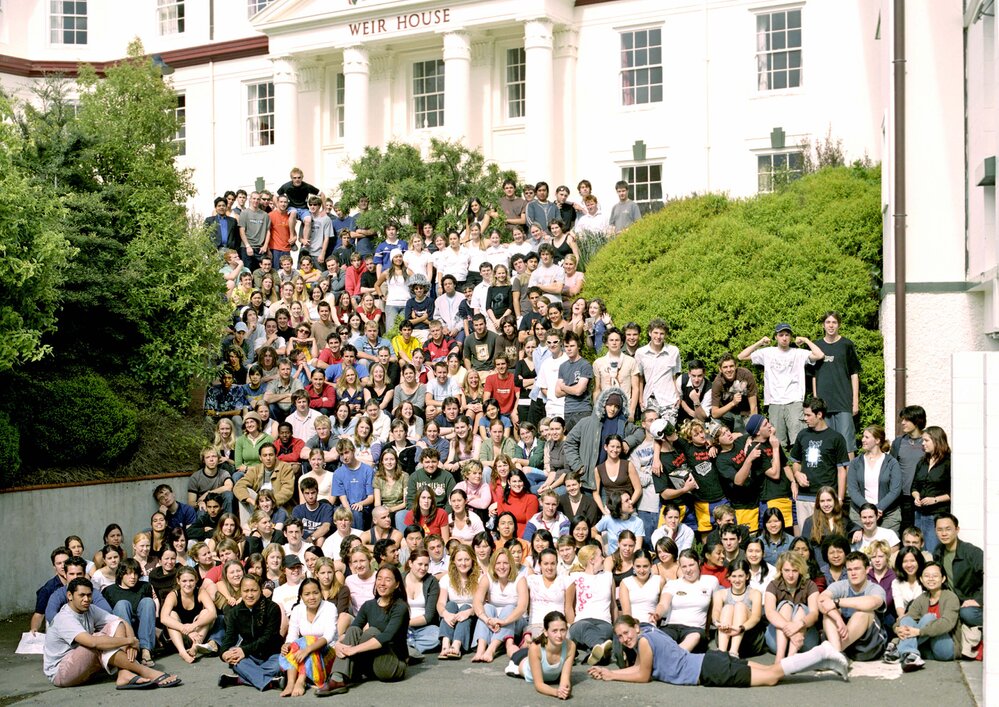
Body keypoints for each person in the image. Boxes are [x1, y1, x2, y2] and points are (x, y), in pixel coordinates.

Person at [587, 614, 847, 687]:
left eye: (626, 633)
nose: (625, 639)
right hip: (710, 659)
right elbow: (641, 666)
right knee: (771, 672)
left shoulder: (643, 641)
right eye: (620, 637)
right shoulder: (648, 630)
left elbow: (643, 674)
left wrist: (611, 675)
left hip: (709, 670)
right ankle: (826, 659)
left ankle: (822, 653)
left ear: (635, 627)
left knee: (771, 677)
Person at [43, 578, 182, 689]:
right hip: (62, 672)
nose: (86, 599)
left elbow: (121, 622)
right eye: (81, 595)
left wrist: (132, 642)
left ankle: (124, 673)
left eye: (89, 595)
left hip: (83, 663)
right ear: (69, 596)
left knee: (116, 625)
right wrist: (128, 642)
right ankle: (145, 671)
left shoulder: (89, 608)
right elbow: (92, 642)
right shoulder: (63, 618)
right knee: (97, 640)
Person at [314, 565, 410, 696]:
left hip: (391, 665)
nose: (382, 583)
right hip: (370, 663)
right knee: (353, 629)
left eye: (388, 580)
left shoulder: (400, 607)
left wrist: (353, 650)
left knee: (372, 632)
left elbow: (387, 636)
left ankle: (346, 673)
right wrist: (338, 644)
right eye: (379, 579)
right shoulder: (369, 605)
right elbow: (353, 630)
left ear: (397, 584)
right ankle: (337, 679)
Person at [737, 323, 824, 448]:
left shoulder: (798, 353)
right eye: (781, 335)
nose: (784, 338)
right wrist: (760, 342)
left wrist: (805, 340)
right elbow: (741, 356)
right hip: (775, 402)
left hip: (794, 402)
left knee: (799, 441)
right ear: (776, 337)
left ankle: (798, 467)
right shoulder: (767, 352)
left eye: (787, 335)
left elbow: (819, 355)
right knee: (777, 443)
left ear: (791, 337)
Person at [564, 387, 644, 493]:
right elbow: (569, 442)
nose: (612, 409)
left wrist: (627, 442)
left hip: (611, 483)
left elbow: (641, 432)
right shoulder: (586, 423)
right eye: (610, 405)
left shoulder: (623, 424)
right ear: (603, 404)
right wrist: (578, 465)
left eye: (616, 406)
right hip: (588, 480)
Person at [883, 561, 959, 670]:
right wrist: (897, 629)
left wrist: (919, 632)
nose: (931, 579)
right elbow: (905, 618)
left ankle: (899, 650)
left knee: (929, 617)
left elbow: (947, 623)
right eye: (927, 576)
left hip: (945, 648)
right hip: (926, 648)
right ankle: (910, 655)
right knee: (908, 619)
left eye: (935, 576)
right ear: (922, 580)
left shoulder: (950, 597)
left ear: (943, 579)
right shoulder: (922, 598)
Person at [789, 397, 850, 524]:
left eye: (808, 415)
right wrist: (797, 474)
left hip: (826, 499)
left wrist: (839, 499)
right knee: (805, 540)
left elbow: (841, 471)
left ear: (819, 414)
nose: (805, 418)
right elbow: (796, 462)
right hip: (804, 497)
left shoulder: (836, 438)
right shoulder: (802, 435)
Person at [818, 551, 888, 661]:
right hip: (843, 643)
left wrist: (836, 602)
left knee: (862, 612)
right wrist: (838, 619)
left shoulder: (875, 588)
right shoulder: (840, 585)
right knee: (828, 614)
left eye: (857, 569)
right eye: (850, 570)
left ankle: (834, 654)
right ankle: (838, 655)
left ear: (867, 569)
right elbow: (822, 601)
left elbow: (872, 602)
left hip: (868, 646)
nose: (853, 573)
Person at [278, 578, 339, 697]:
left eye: (315, 593)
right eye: (307, 594)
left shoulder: (330, 607)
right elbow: (292, 634)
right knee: (296, 644)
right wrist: (287, 644)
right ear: (301, 596)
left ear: (321, 593)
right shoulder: (297, 609)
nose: (312, 597)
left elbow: (329, 636)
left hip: (327, 653)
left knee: (307, 640)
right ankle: (290, 683)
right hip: (306, 652)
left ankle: (300, 681)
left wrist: (307, 649)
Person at [504, 610, 575, 700]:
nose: (559, 635)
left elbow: (565, 678)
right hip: (521, 661)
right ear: (545, 632)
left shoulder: (571, 646)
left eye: (563, 630)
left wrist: (564, 690)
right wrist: (556, 692)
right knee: (514, 652)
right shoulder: (535, 648)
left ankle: (526, 640)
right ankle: (509, 642)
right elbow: (539, 685)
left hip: (536, 653)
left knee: (529, 648)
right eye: (554, 631)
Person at [102, 559, 158, 668]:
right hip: (122, 632)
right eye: (128, 573)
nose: (133, 577)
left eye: (135, 573)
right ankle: (127, 649)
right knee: (122, 604)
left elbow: (148, 613)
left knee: (148, 601)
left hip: (141, 630)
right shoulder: (109, 591)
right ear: (121, 574)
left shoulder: (144, 586)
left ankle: (146, 651)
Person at [846, 425, 903, 532]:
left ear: (877, 440)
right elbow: (852, 489)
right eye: (863, 437)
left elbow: (895, 490)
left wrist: (879, 508)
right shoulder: (856, 463)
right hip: (860, 514)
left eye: (867, 437)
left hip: (888, 515)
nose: (863, 440)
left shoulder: (891, 462)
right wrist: (867, 509)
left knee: (886, 548)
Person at [932, 513, 984, 629]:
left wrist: (978, 600)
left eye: (948, 529)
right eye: (939, 530)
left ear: (957, 530)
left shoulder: (972, 552)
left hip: (972, 603)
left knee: (967, 614)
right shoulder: (937, 552)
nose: (944, 533)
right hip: (953, 602)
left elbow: (991, 578)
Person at [160, 566, 217, 664]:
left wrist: (193, 626)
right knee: (172, 615)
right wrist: (185, 629)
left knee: (206, 613)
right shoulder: (173, 595)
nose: (188, 584)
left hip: (197, 634)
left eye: (191, 580)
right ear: (178, 581)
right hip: (176, 637)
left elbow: (213, 613)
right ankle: (182, 652)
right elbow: (163, 618)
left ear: (196, 580)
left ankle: (195, 646)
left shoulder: (200, 592)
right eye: (184, 581)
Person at [911, 426, 951, 553]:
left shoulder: (949, 462)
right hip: (919, 514)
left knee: (933, 552)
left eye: (926, 440)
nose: (923, 443)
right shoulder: (922, 462)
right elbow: (914, 486)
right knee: (918, 551)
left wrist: (935, 499)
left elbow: (955, 492)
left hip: (937, 515)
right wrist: (916, 496)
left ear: (936, 441)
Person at [635, 318, 681, 413]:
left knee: (668, 428)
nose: (658, 336)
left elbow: (675, 376)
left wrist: (678, 396)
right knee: (651, 427)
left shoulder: (673, 351)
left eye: (662, 333)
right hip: (649, 399)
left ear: (665, 335)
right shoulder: (640, 353)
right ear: (649, 333)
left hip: (669, 400)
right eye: (655, 333)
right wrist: (640, 399)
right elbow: (640, 378)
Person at [403, 548, 441, 656]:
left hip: (424, 627)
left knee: (437, 636)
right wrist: (402, 624)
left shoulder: (431, 581)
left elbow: (429, 616)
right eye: (420, 564)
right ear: (410, 563)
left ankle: (411, 649)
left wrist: (407, 622)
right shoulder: (400, 579)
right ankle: (409, 649)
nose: (423, 568)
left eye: (426, 565)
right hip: (403, 626)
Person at [709, 352, 759, 433]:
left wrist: (754, 426)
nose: (729, 370)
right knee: (714, 425)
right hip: (727, 414)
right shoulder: (717, 383)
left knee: (748, 432)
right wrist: (733, 403)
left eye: (731, 366)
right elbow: (714, 413)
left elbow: (753, 406)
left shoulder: (746, 375)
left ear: (736, 366)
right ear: (720, 369)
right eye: (725, 367)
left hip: (745, 412)